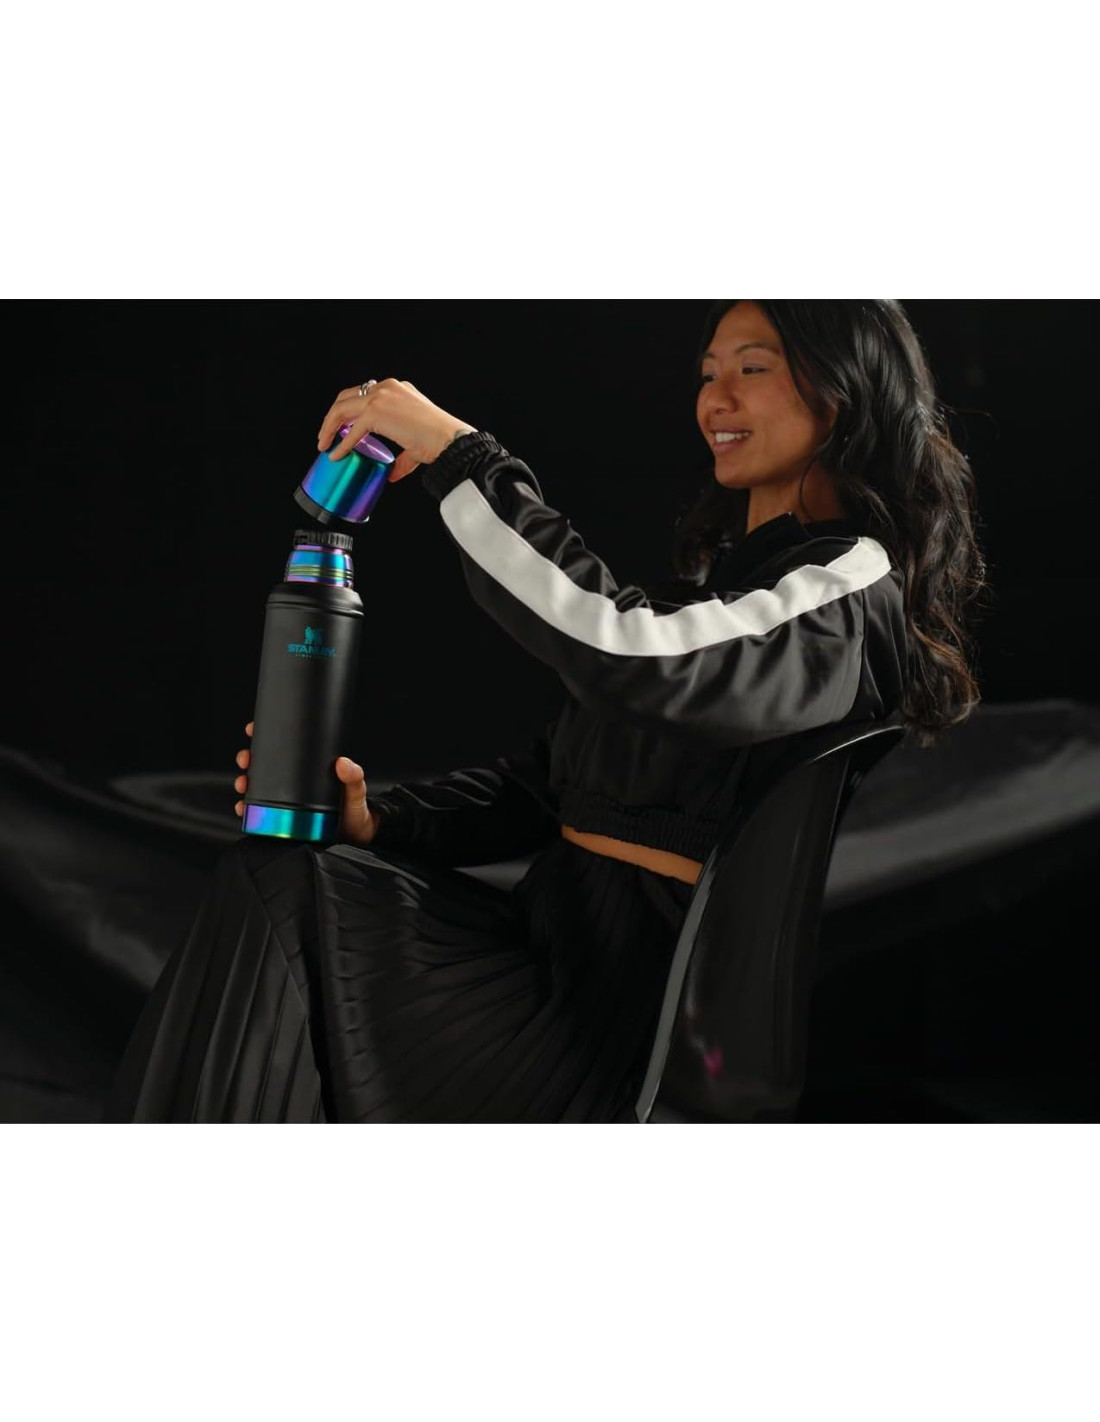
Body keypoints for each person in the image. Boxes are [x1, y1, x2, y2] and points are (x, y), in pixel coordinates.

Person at [101, 300, 987, 1123]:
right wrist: (378, 819)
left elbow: (625, 649)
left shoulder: (842, 588)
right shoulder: (730, 592)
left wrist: (462, 458)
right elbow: (548, 787)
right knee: (283, 875)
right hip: (537, 950)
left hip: (615, 1027)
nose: (714, 399)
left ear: (844, 390)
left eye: (751, 369)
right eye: (707, 373)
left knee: (277, 899)